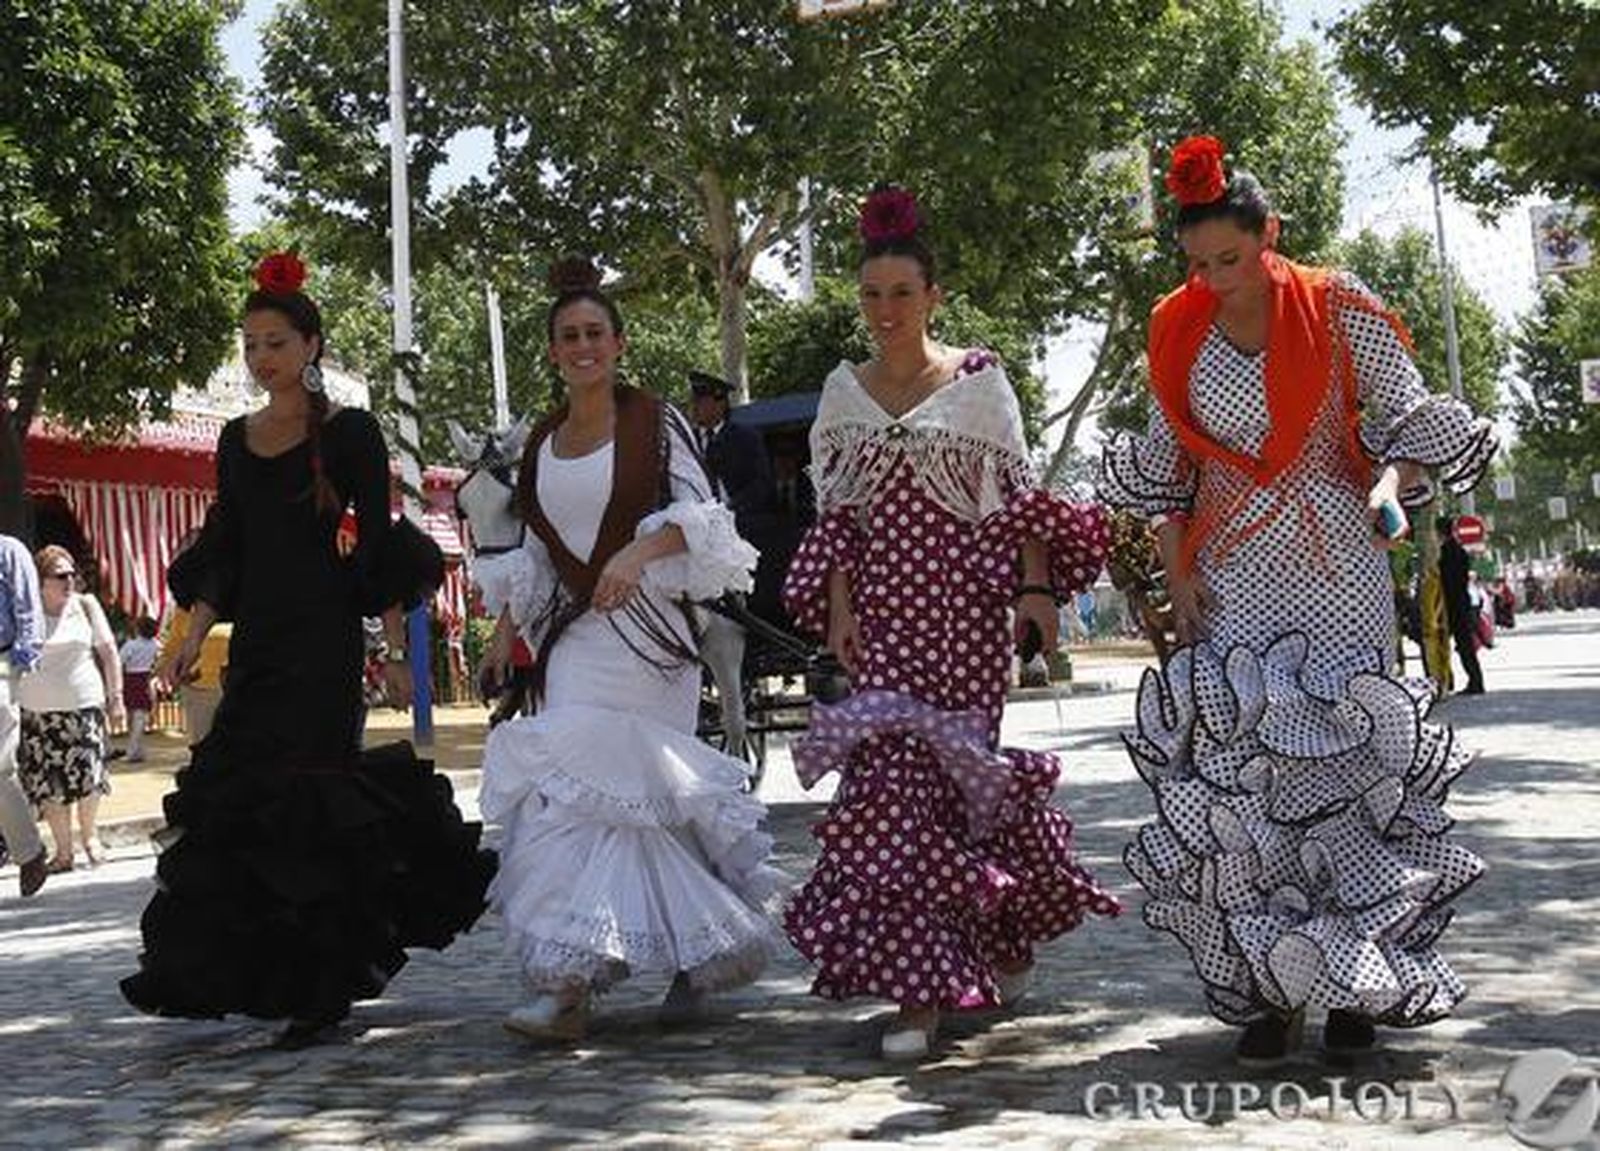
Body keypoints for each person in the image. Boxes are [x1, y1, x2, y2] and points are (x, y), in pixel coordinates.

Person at [1101, 136, 1496, 1066]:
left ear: (1267, 234)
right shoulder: (1176, 324)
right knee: (1248, 774)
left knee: (1352, 770)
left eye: (1229, 259)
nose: (1214, 279)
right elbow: (1167, 466)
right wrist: (1175, 567)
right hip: (1232, 566)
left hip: (1339, 560)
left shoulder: (1337, 302)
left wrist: (1390, 486)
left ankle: (1361, 981)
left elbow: (1404, 421)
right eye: (1197, 264)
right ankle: (1271, 993)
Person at [120, 251, 494, 1049]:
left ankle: (320, 986)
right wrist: (186, 637)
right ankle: (252, 970)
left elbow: (382, 541)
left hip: (325, 642)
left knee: (311, 797)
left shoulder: (349, 432)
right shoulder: (231, 439)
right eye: (251, 344)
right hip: (260, 642)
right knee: (242, 789)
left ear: (312, 345)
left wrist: (393, 648)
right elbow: (228, 547)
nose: (262, 358)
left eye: (276, 342)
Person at [781, 186, 1120, 1061]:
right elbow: (839, 521)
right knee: (892, 788)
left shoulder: (979, 383)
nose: (885, 310)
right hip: (885, 620)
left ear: (932, 296)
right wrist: (840, 618)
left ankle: (1000, 935)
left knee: (967, 787)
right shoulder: (842, 393)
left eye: (901, 293)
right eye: (870, 295)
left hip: (967, 617)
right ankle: (917, 993)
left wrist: (1035, 595)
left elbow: (1019, 500)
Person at [474, 257, 780, 1041]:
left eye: (594, 334)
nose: (582, 346)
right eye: (568, 336)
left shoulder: (656, 420)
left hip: (652, 642)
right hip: (578, 643)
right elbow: (539, 552)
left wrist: (634, 557)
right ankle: (569, 983)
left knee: (660, 810)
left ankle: (695, 954)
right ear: (552, 351)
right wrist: (506, 629)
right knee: (569, 802)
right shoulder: (540, 441)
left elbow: (702, 519)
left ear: (617, 342)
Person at [17, 545, 122, 871]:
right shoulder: (25, 613)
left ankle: (90, 838)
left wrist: (115, 697)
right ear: (40, 581)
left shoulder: (86, 606)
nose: (69, 580)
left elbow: (108, 653)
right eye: (60, 575)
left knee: (89, 776)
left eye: (72, 573)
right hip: (37, 710)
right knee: (49, 784)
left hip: (84, 705)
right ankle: (63, 852)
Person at [0, 530, 49, 897]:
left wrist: (18, 664)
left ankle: (28, 851)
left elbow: (29, 611)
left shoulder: (8, 550)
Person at [154, 604, 230, 745]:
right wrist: (164, 670)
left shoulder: (246, 601)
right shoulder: (187, 607)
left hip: (240, 687)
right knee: (203, 743)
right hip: (198, 688)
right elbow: (173, 645)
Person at [1437, 516, 1486, 694]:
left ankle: (1473, 682)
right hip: (1461, 602)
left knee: (1461, 645)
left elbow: (1448, 581)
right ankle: (1473, 680)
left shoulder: (1448, 552)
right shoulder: (1457, 550)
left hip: (1454, 605)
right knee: (1464, 645)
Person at [119, 617, 161, 762]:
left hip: (131, 678)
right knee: (139, 715)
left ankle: (132, 751)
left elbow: (120, 660)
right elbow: (160, 660)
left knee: (134, 715)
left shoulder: (131, 645)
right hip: (145, 678)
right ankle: (138, 750)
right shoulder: (156, 644)